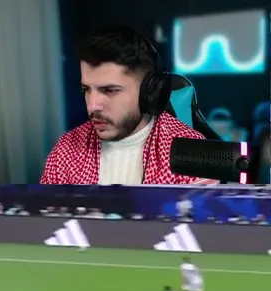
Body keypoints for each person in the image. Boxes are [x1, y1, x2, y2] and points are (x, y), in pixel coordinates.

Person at [40, 27, 211, 185]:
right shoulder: (65, 150)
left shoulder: (192, 153)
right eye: (86, 89)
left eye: (109, 90)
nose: (92, 106)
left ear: (149, 92)